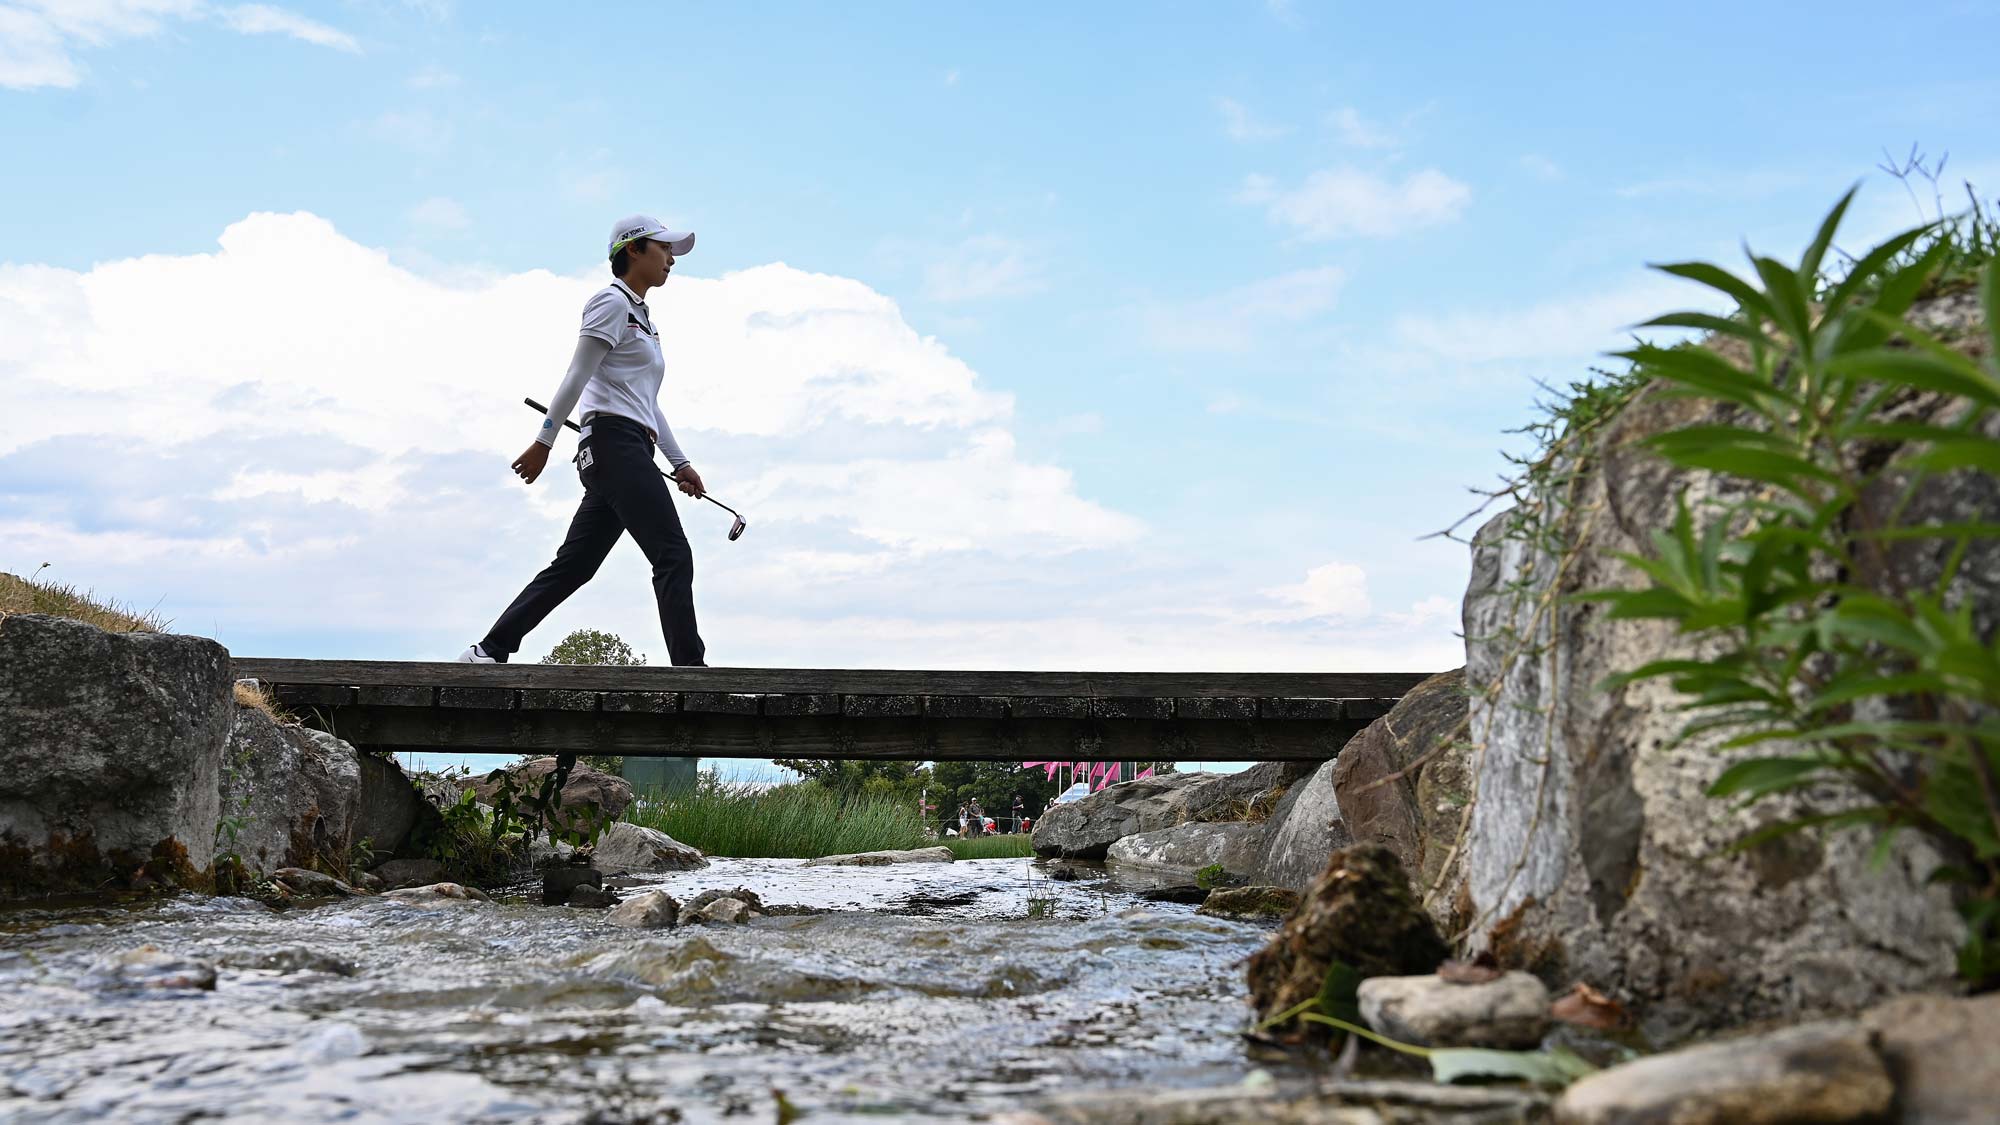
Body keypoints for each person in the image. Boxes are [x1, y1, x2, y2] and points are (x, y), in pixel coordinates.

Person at [459, 215, 710, 667]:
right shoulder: (610, 303)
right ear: (633, 250)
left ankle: (487, 650)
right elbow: (578, 374)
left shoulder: (644, 319)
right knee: (673, 554)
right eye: (664, 249)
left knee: (575, 565)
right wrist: (544, 441)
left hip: (629, 448)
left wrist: (680, 462)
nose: (672, 259)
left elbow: (647, 403)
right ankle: (692, 673)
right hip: (614, 447)